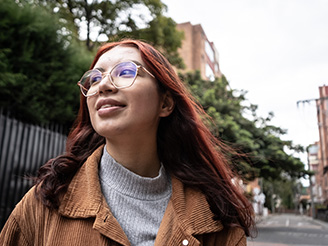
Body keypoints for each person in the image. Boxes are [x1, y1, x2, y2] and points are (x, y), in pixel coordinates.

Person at [0, 39, 255, 245]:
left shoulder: (216, 220)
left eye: (125, 72)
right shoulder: (46, 201)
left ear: (165, 103)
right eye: (95, 78)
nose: (103, 86)